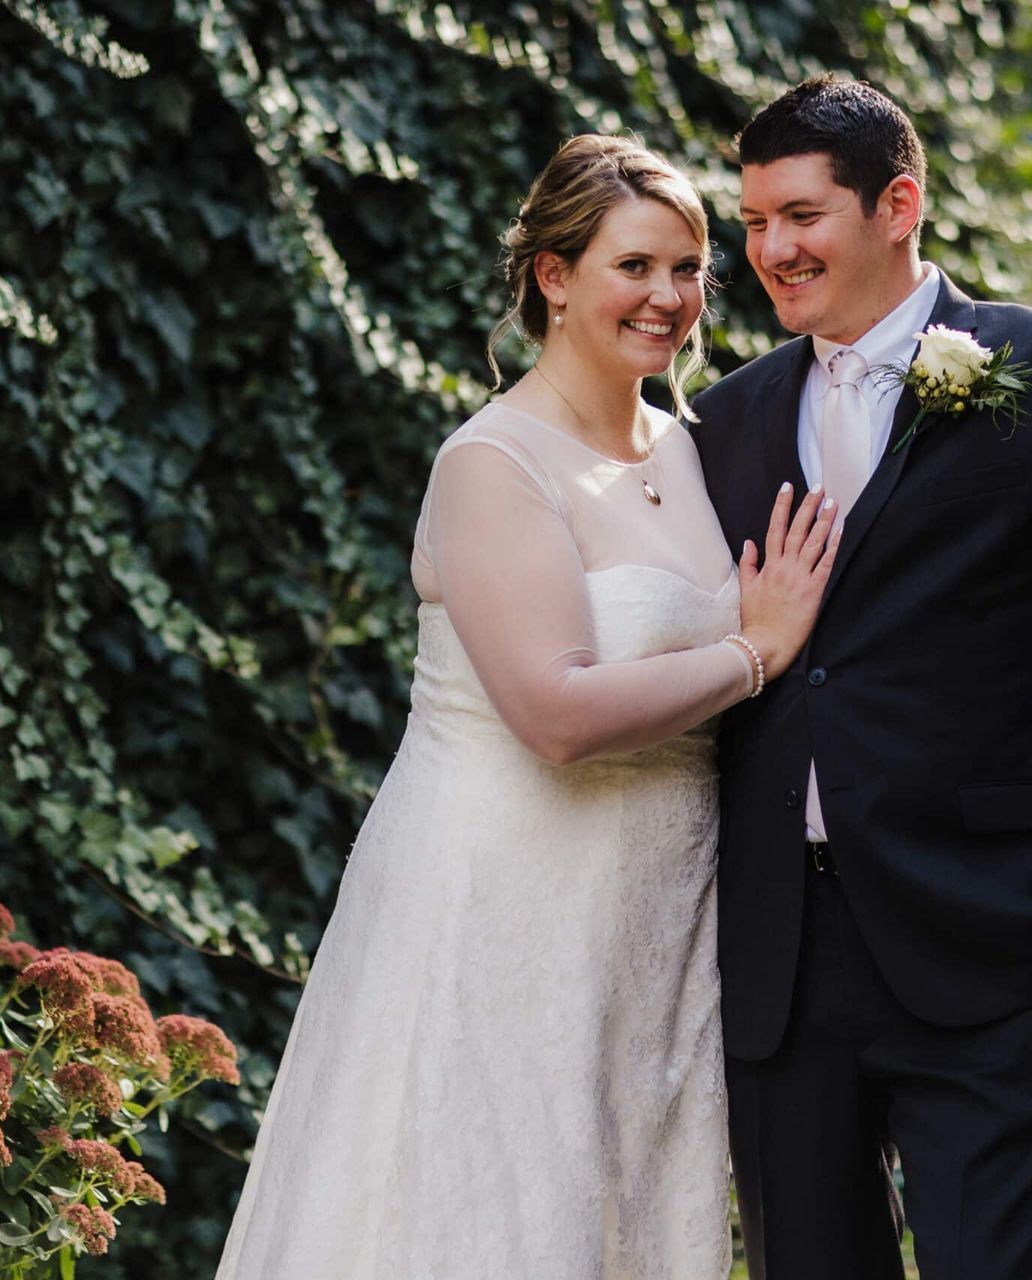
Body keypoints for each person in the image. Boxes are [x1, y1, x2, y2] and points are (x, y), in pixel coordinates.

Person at [214, 134, 837, 1279]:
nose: (670, 298)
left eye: (691, 267)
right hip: (503, 902)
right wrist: (754, 652)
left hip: (657, 922)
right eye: (634, 266)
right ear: (554, 277)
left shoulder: (697, 450)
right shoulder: (492, 462)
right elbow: (555, 712)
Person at [691, 76, 1032, 1278]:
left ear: (898, 203)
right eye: (755, 221)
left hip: (998, 939)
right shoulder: (724, 419)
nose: (771, 249)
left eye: (802, 215)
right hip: (782, 969)